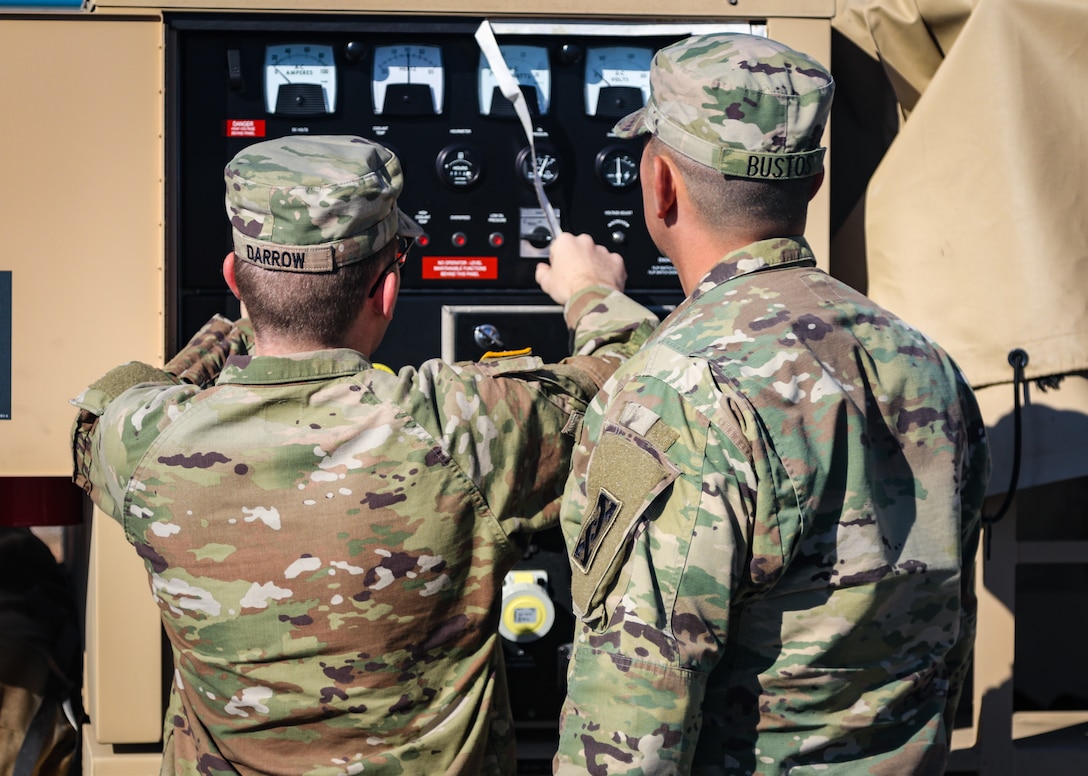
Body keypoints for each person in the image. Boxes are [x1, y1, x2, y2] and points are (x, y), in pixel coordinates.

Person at [70, 134, 656, 775]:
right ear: (386, 291)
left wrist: (240, 326)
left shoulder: (141, 441)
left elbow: (101, 410)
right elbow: (631, 385)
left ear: (236, 278)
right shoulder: (461, 427)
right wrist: (592, 291)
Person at [537, 33, 992, 774]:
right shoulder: (923, 362)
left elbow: (630, 722)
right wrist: (597, 301)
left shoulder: (677, 394)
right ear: (812, 182)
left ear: (660, 183)